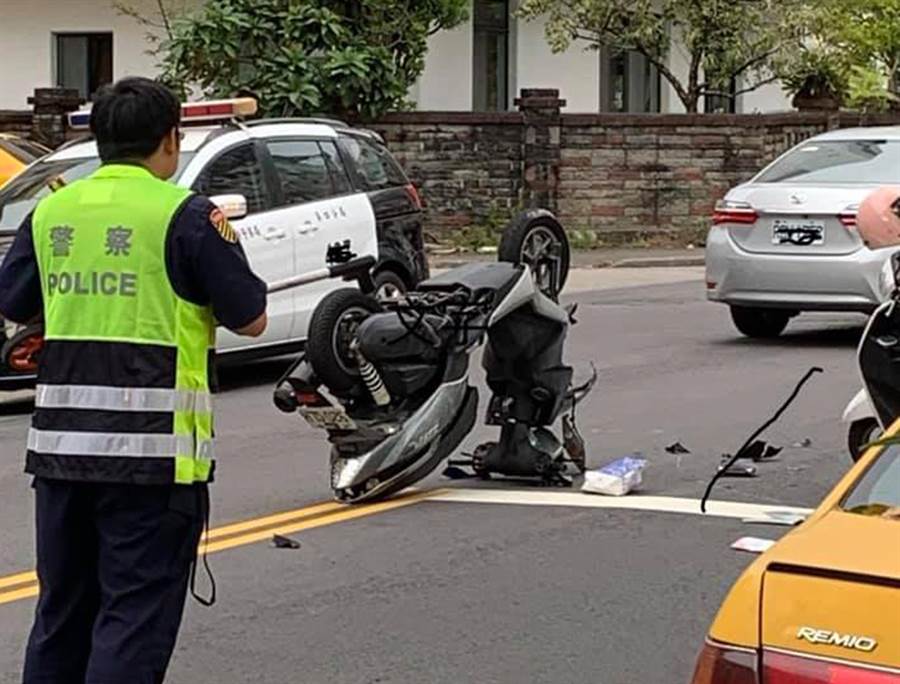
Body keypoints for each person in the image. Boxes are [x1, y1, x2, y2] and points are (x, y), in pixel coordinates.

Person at [0, 77, 268, 684]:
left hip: (62, 458)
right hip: (153, 462)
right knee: (132, 619)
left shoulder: (51, 211)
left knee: (62, 617)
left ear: (98, 141)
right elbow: (251, 317)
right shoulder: (188, 215)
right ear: (170, 139)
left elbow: (14, 301)